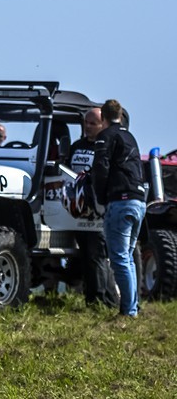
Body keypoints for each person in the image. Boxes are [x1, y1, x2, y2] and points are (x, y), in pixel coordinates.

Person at [90, 99, 146, 317]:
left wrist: (101, 197)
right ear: (121, 115)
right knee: (128, 256)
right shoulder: (129, 136)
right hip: (138, 201)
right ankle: (132, 306)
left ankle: (129, 310)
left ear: (103, 118)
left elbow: (100, 169)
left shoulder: (105, 136)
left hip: (120, 202)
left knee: (119, 258)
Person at [65, 107, 116, 306]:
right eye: (86, 123)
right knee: (85, 255)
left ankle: (103, 300)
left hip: (99, 211)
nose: (88, 127)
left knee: (97, 255)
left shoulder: (106, 146)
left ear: (103, 124)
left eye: (93, 123)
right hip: (78, 210)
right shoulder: (76, 146)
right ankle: (92, 298)